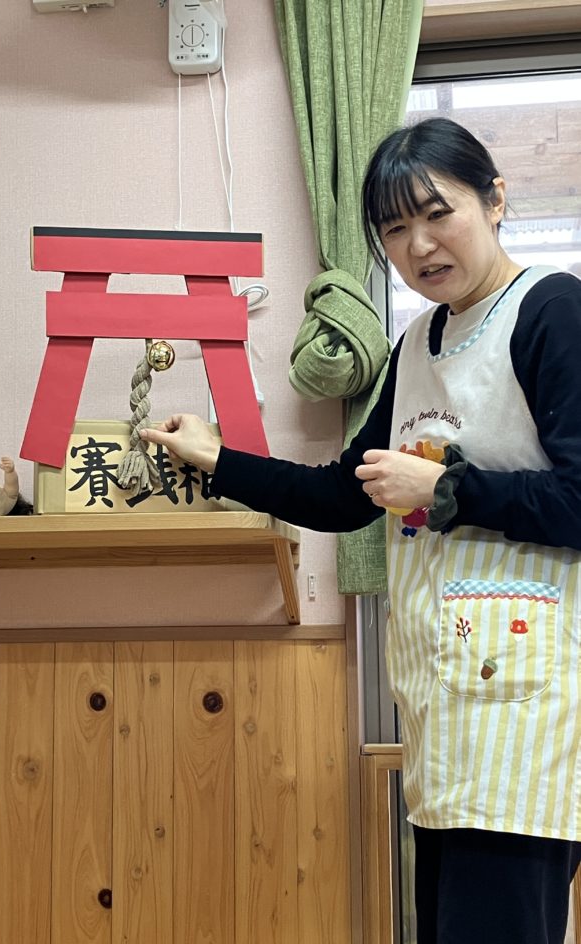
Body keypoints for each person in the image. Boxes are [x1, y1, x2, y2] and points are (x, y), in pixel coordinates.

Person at [141, 117, 581, 944]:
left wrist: (446, 490)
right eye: (395, 228)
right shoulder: (416, 343)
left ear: (494, 201)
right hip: (445, 712)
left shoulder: (552, 310)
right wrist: (216, 458)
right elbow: (345, 497)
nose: (419, 246)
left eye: (438, 214)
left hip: (528, 715)